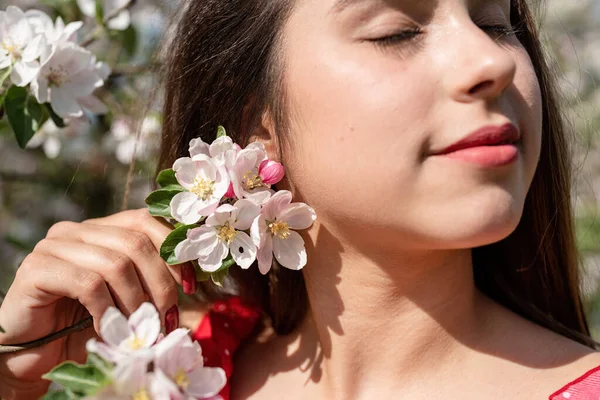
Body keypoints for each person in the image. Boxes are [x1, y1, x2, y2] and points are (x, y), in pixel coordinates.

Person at [1, 0, 600, 398]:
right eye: (398, 31)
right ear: (254, 121)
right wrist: (19, 377)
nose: (492, 59)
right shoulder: (165, 366)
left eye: (496, 20)